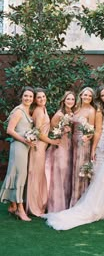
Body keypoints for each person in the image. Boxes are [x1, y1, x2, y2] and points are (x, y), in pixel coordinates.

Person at [42, 91, 104, 230]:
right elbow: (98, 130)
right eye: (102, 95)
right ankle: (75, 203)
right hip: (83, 145)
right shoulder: (97, 111)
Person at [0, 86, 35, 221]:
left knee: (17, 174)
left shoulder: (27, 110)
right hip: (19, 146)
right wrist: (25, 140)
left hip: (24, 147)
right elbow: (10, 130)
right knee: (20, 175)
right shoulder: (19, 111)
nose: (28, 98)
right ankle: (20, 209)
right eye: (26, 96)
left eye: (30, 96)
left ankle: (12, 205)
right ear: (21, 96)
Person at [26, 88, 60, 217]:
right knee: (36, 176)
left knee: (40, 175)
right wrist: (52, 141)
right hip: (38, 147)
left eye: (43, 96)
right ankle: (34, 207)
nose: (42, 99)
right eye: (39, 97)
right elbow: (38, 133)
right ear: (35, 99)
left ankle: (39, 203)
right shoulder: (39, 111)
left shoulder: (43, 109)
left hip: (42, 147)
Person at [45, 91, 76, 212]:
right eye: (68, 99)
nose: (70, 101)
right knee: (59, 174)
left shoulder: (72, 113)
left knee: (67, 174)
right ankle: (55, 205)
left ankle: (66, 203)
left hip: (69, 146)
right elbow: (51, 132)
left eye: (72, 99)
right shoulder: (59, 114)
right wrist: (63, 130)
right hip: (60, 147)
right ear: (64, 100)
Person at [70, 87, 96, 207]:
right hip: (71, 142)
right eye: (85, 95)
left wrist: (87, 137)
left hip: (83, 143)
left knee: (80, 170)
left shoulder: (91, 111)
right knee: (72, 169)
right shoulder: (75, 108)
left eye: (90, 96)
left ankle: (78, 201)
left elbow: (91, 130)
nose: (87, 98)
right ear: (81, 95)